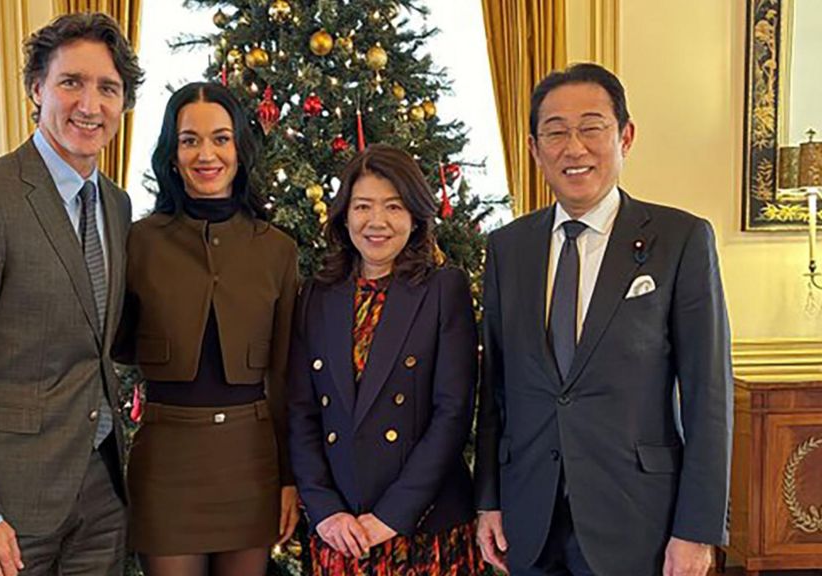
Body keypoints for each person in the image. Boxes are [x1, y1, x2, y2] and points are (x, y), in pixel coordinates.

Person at [474, 62, 733, 576]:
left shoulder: (680, 240)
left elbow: (708, 396)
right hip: (530, 517)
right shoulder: (508, 248)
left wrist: (697, 530)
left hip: (639, 521)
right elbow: (496, 389)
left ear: (625, 137)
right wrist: (489, 501)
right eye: (555, 132)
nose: (574, 148)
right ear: (534, 149)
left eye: (591, 128)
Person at [0, 12, 141, 576]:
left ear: (123, 103)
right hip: (2, 505)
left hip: (99, 494)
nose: (90, 104)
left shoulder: (116, 206)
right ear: (37, 89)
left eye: (108, 88)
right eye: (72, 82)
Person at [111, 81, 300, 576]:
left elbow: (284, 376)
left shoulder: (278, 250)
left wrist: (288, 477)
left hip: (251, 464)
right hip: (166, 463)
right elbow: (115, 346)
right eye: (189, 140)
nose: (206, 154)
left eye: (220, 138)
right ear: (172, 156)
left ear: (239, 149)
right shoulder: (138, 242)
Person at [288, 144, 483, 575]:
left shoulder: (443, 289)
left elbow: (452, 413)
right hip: (341, 533)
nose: (377, 221)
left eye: (393, 206)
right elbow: (301, 414)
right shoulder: (317, 296)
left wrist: (392, 516)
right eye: (363, 206)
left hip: (425, 529)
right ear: (344, 216)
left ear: (415, 216)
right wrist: (324, 510)